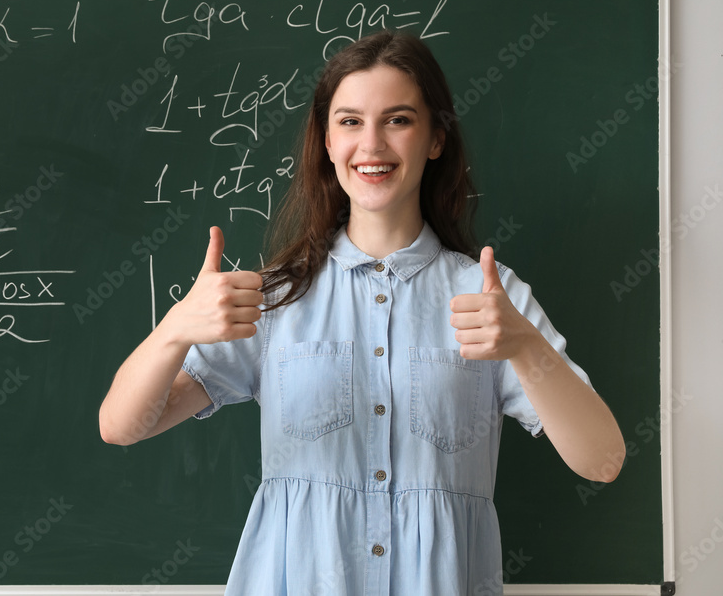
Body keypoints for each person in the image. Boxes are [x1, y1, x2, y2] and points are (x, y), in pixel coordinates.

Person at [99, 30, 625, 595]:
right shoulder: (275, 300)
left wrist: (525, 345)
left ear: (435, 139)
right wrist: (176, 327)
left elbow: (603, 461)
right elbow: (123, 426)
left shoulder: (490, 299)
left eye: (397, 120)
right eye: (349, 122)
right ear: (326, 142)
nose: (370, 145)